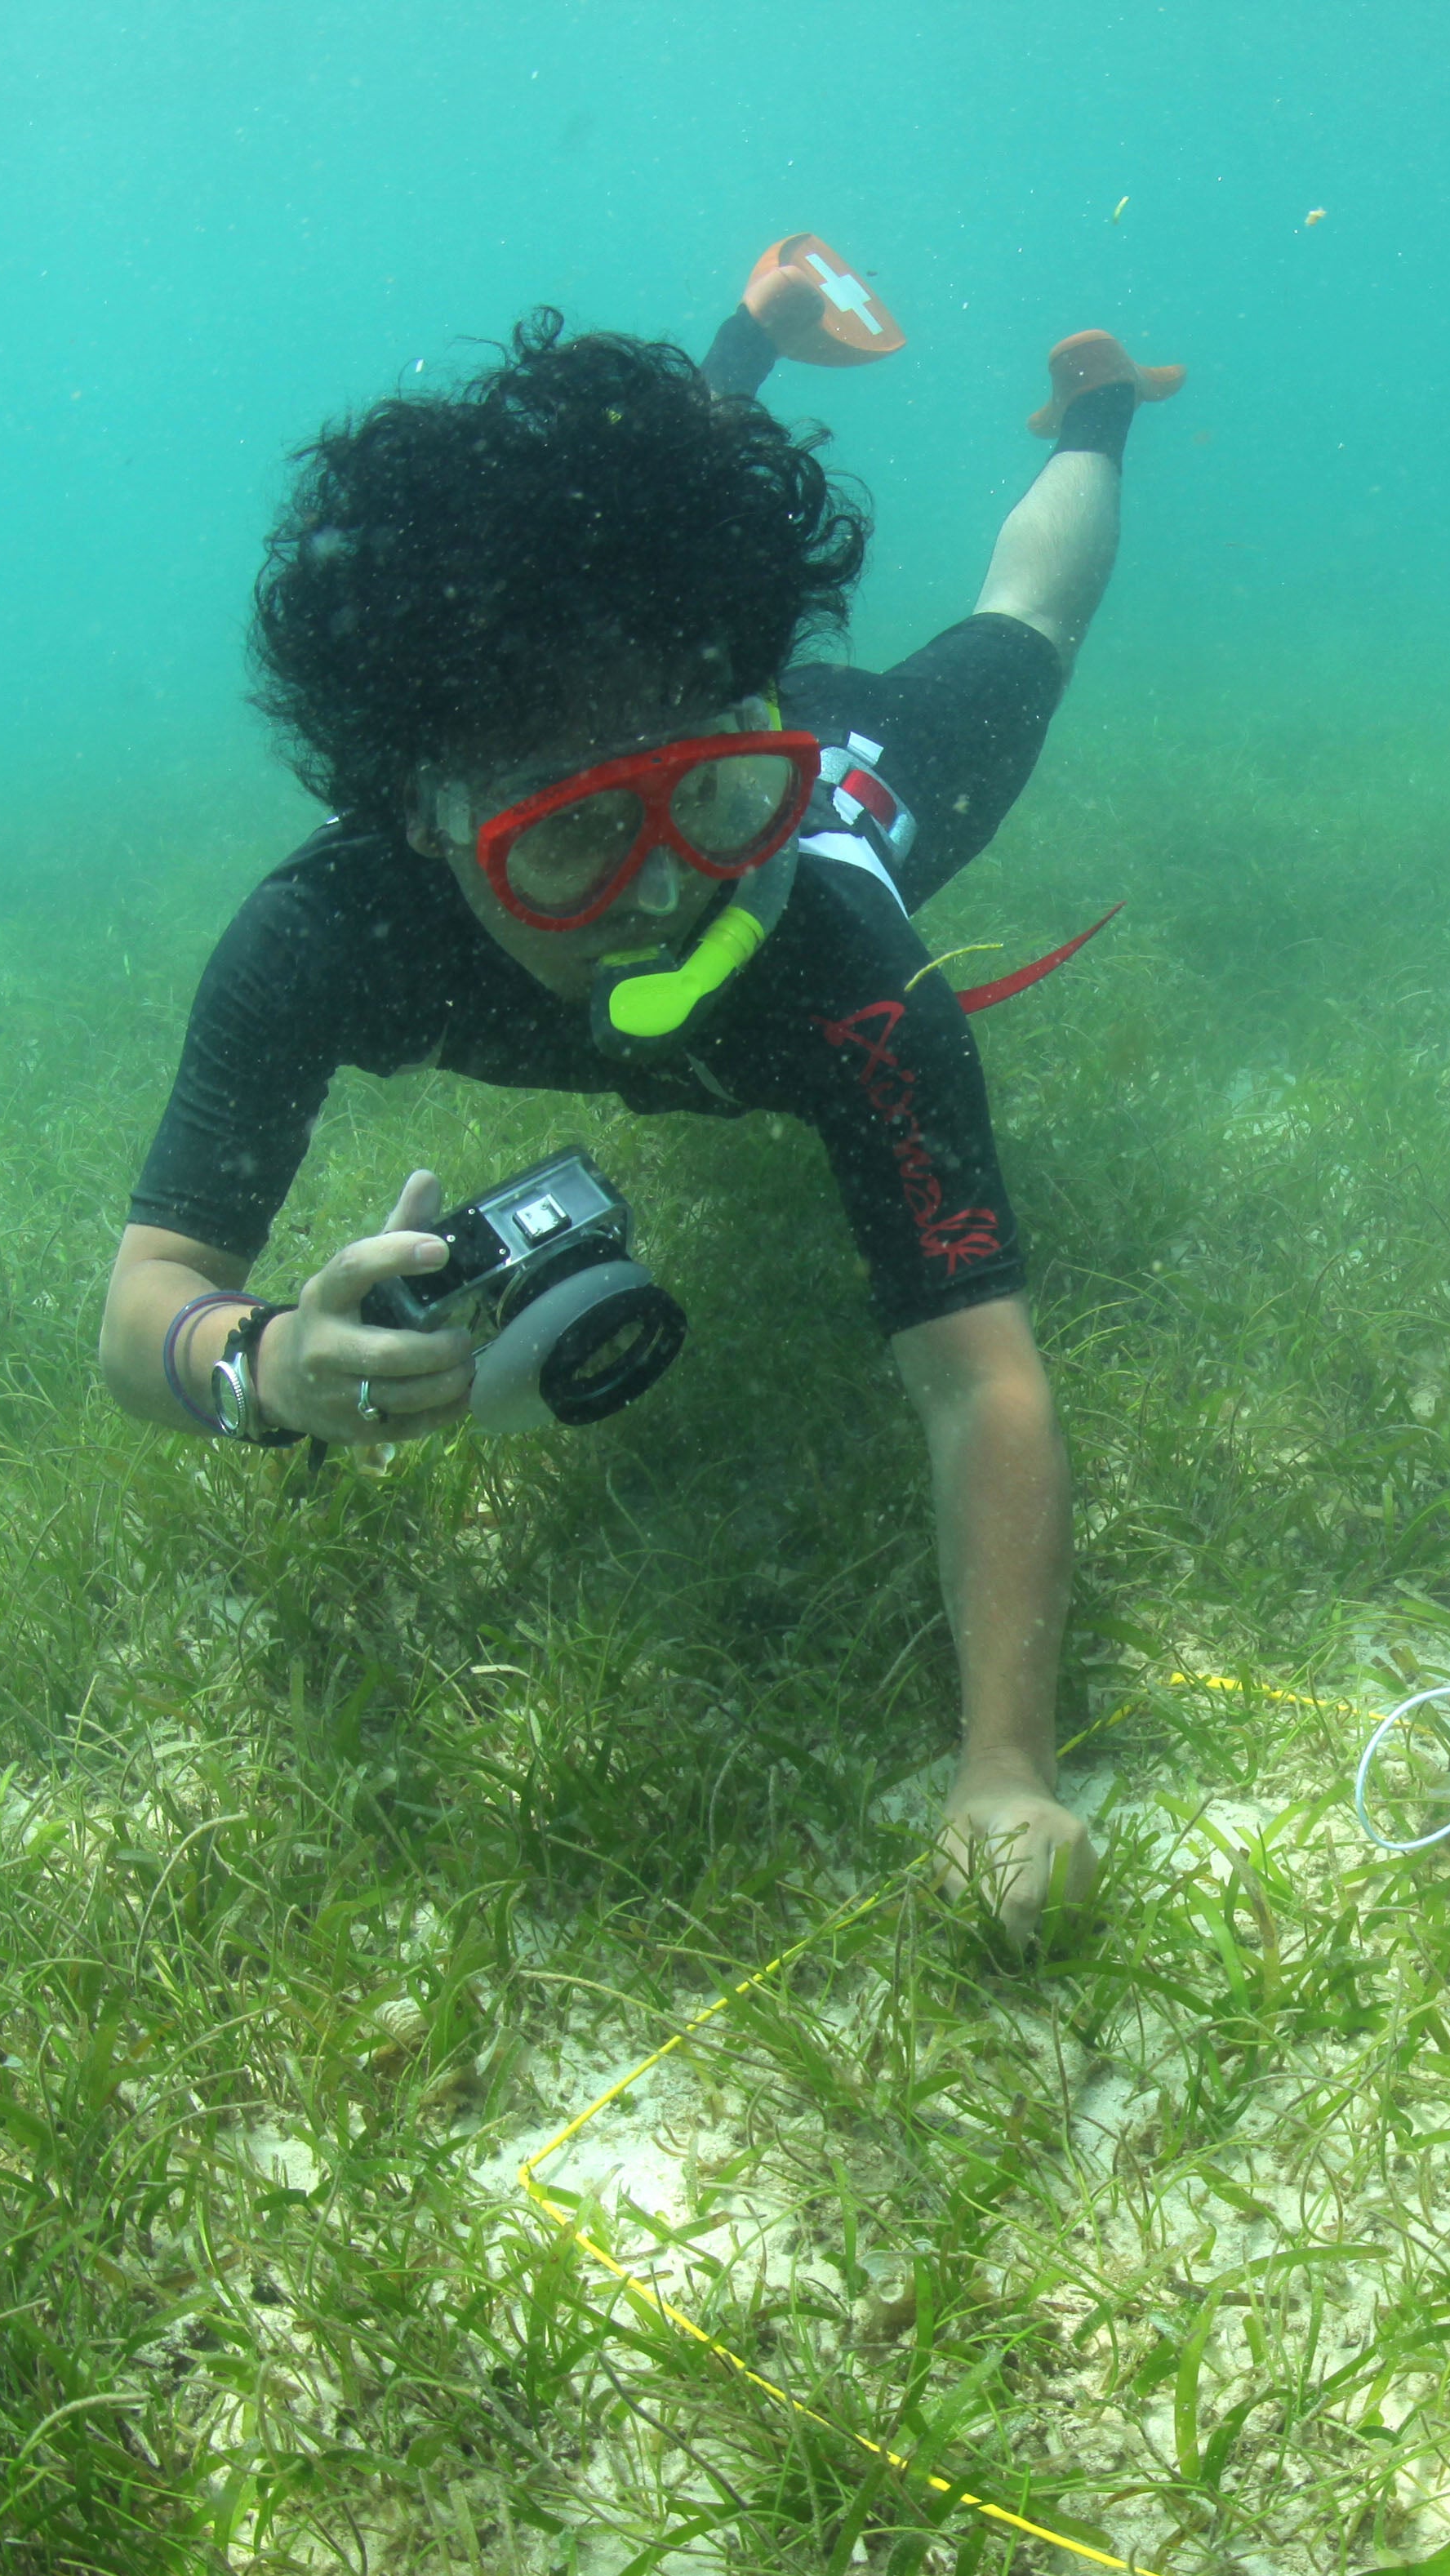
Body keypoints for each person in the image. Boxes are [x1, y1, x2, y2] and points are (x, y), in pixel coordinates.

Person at [97, 234, 1184, 1936]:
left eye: (709, 805)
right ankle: (745, 342)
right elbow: (144, 1302)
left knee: (1024, 628)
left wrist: (1005, 1766)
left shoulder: (839, 950)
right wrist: (270, 1373)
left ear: (759, 734)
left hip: (853, 767)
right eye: (576, 840)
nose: (669, 888)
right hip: (677, 711)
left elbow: (984, 1386)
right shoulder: (323, 938)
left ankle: (1097, 413)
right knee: (623, 551)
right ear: (419, 825)